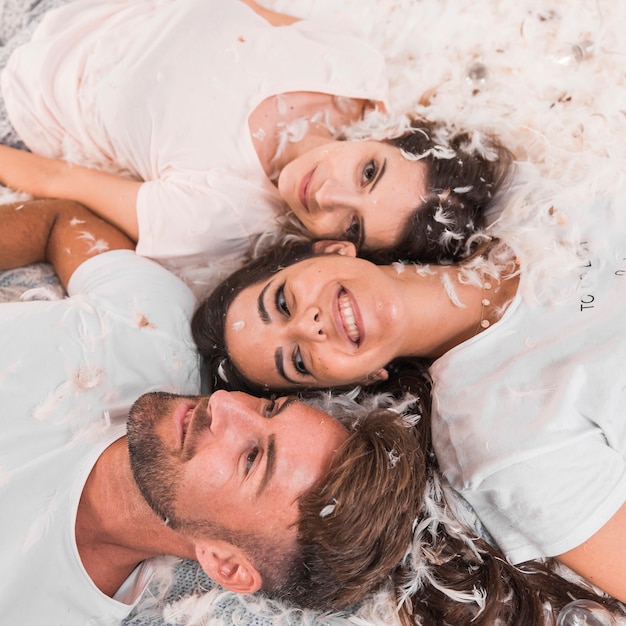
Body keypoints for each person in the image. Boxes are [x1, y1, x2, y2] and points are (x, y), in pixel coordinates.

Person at [191, 174, 626, 605]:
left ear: (332, 249)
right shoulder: (499, 441)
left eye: (283, 302)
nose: (309, 325)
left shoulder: (517, 196)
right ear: (357, 380)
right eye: (299, 361)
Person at [0, 197, 429, 625]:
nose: (222, 404)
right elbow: (61, 221)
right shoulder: (158, 327)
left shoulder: (40, 609)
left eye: (251, 458)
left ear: (227, 565)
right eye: (268, 407)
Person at [0, 0, 511, 288]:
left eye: (352, 223)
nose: (328, 196)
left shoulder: (221, 214)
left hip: (18, 81)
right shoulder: (353, 69)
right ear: (385, 135)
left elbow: (54, 180)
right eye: (369, 173)